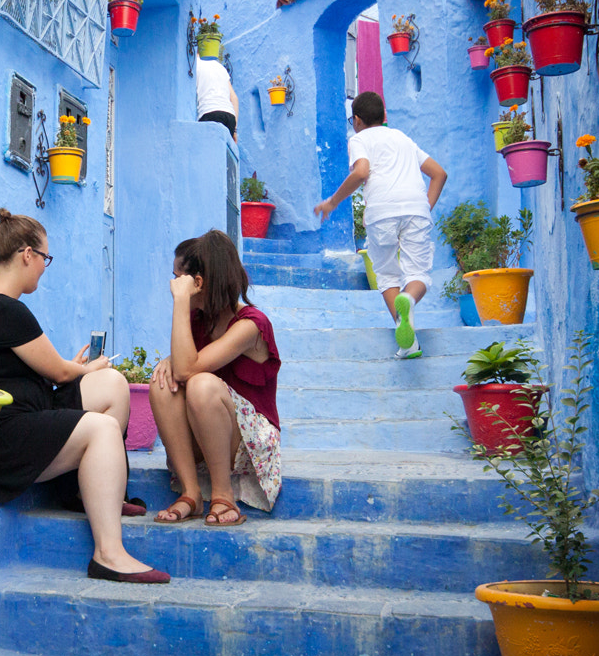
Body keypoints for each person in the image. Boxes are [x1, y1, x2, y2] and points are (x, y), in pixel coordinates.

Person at [0, 209, 169, 584]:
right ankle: (108, 554)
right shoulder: (7, 309)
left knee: (112, 384)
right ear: (26, 254)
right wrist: (83, 369)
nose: (45, 267)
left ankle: (87, 492)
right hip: (4, 441)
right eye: (45, 258)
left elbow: (37, 370)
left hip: (21, 416)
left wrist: (84, 370)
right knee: (102, 429)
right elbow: (61, 372)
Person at [150, 230, 281, 526]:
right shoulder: (199, 320)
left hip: (247, 444)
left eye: (178, 279)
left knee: (200, 384)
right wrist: (171, 360)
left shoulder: (251, 325)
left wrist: (180, 301)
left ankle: (223, 495)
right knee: (162, 383)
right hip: (206, 431)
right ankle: (191, 492)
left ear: (197, 283)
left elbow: (189, 370)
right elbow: (182, 366)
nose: (173, 285)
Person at [313, 91, 447, 359]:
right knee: (418, 273)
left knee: (387, 275)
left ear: (358, 120)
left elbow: (361, 171)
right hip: (416, 209)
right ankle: (408, 302)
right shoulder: (403, 138)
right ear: (384, 117)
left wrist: (332, 202)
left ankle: (407, 342)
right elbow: (439, 174)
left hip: (382, 211)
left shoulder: (360, 139)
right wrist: (423, 207)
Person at [196, 55, 238, 140]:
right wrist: (234, 130)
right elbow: (234, 98)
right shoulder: (220, 67)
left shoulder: (195, 65)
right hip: (229, 115)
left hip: (210, 111)